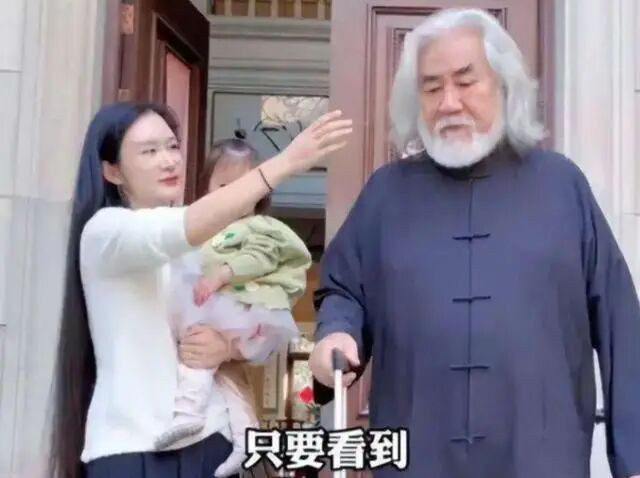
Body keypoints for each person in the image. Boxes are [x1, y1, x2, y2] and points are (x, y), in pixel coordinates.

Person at [310, 8, 640, 478]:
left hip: (540, 461)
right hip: (417, 458)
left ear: (504, 87)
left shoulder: (561, 186)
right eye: (431, 88)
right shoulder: (386, 194)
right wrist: (336, 332)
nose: (449, 102)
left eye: (466, 82)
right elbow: (344, 290)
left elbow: (621, 325)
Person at [49, 102, 351, 478]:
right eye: (149, 151)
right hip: (134, 448)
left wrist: (227, 348)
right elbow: (178, 228)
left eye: (172, 146)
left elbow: (264, 334)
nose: (168, 160)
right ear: (112, 171)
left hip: (211, 441)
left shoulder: (210, 245)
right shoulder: (105, 231)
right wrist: (285, 163)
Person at [155, 138, 312, 478]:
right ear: (206, 188)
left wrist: (222, 276)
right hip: (205, 322)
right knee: (227, 383)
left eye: (244, 187)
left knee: (204, 358)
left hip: (239, 309)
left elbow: (260, 257)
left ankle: (188, 414)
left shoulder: (257, 228)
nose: (233, 196)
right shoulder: (191, 230)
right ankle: (244, 441)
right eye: (223, 186)